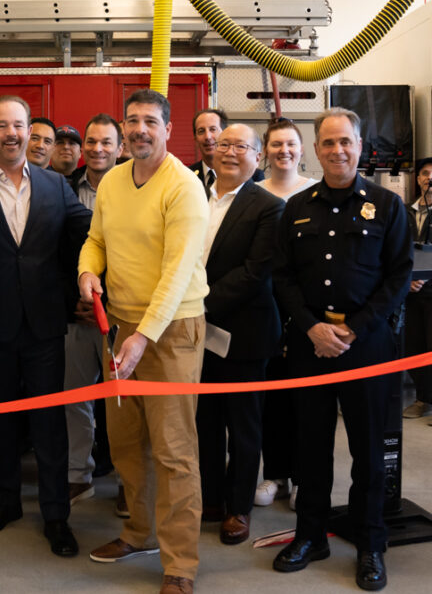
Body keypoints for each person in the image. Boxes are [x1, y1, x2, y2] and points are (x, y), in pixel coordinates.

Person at [272, 107, 411, 592]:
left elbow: (399, 275)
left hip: (368, 348)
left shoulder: (387, 205)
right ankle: (312, 536)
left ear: (359, 144)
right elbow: (283, 277)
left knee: (369, 452)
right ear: (316, 149)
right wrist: (310, 328)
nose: (336, 151)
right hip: (311, 347)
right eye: (327, 143)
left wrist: (353, 329)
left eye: (344, 142)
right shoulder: (298, 206)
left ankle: (371, 542)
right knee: (309, 448)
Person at [79, 89, 209, 594]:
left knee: (175, 452)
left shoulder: (183, 187)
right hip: (119, 323)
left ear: (168, 129)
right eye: (131, 121)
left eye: (150, 121)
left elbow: (178, 275)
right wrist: (87, 271)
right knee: (128, 443)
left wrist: (142, 339)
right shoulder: (113, 180)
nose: (139, 130)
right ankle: (139, 532)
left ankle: (181, 564)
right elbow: (96, 239)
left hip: (172, 331)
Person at [0, 95, 91, 558]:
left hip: (47, 325)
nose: (12, 133)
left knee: (49, 425)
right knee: (3, 421)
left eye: (19, 125)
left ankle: (55, 516)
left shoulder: (56, 186)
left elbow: (84, 238)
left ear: (30, 131)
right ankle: (6, 503)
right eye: (2, 125)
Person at [195, 124, 284, 545]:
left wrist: (197, 304)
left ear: (258, 156)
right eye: (224, 143)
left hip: (243, 334)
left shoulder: (267, 206)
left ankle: (239, 508)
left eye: (241, 146)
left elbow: (255, 273)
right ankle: (210, 499)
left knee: (244, 426)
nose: (229, 152)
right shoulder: (194, 194)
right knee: (205, 422)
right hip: (196, 335)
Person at [254, 118, 319, 509]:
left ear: (302, 148)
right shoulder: (254, 194)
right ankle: (274, 474)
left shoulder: (315, 193)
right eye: (276, 144)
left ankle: (302, 479)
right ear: (265, 150)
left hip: (305, 312)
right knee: (271, 398)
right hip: (264, 310)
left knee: (307, 401)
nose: (284, 151)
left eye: (291, 144)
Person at [64, 114, 122, 505]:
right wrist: (74, 302)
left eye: (107, 142)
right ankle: (78, 475)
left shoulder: (139, 188)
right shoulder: (61, 187)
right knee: (75, 398)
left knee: (125, 404)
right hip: (79, 315)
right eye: (92, 142)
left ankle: (128, 485)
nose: (98, 149)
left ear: (122, 148)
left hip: (126, 316)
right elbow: (50, 252)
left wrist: (113, 304)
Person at [401, 157, 432, 419]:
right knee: (415, 347)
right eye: (424, 173)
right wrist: (407, 280)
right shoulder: (405, 211)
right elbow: (398, 250)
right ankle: (423, 399)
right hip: (410, 292)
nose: (428, 178)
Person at [189, 109, 263, 197]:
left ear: (225, 133)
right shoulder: (188, 175)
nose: (207, 137)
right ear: (195, 139)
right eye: (201, 131)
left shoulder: (253, 175)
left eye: (213, 129)